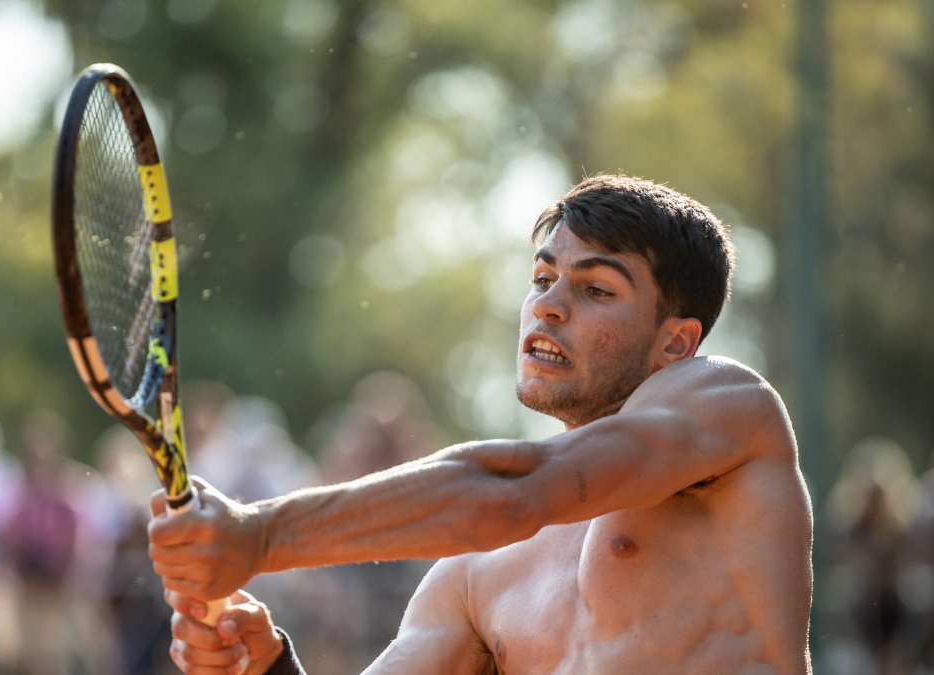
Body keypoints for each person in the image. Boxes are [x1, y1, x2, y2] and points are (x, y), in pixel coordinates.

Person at [148, 174, 814, 674]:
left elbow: (512, 491)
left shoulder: (729, 404)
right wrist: (261, 662)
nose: (549, 305)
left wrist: (259, 533)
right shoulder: (477, 571)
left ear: (676, 342)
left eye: (596, 289)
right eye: (542, 277)